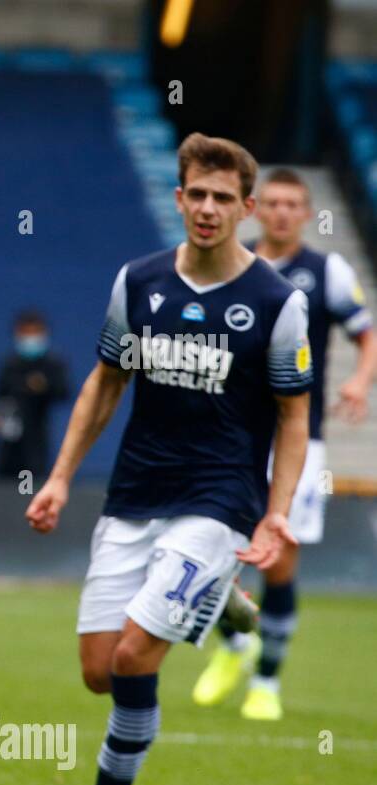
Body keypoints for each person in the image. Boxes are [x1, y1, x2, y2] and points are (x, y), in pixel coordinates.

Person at [24, 133, 311, 785]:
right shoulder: (139, 282)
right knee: (98, 672)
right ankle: (216, 602)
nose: (208, 209)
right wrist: (59, 478)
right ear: (179, 198)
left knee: (133, 657)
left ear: (245, 208)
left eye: (223, 198)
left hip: (219, 501)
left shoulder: (276, 303)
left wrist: (275, 514)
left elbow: (294, 414)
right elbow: (105, 383)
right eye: (197, 195)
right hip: (134, 493)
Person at [192, 167, 375, 721]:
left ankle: (266, 682)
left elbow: (366, 331)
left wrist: (358, 380)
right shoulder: (231, 264)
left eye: (292, 204)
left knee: (279, 562)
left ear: (303, 212)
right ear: (253, 208)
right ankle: (234, 645)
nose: (280, 212)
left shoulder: (328, 271)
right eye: (270, 202)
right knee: (206, 554)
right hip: (228, 438)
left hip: (299, 441)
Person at [0, 310, 70, 480]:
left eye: (35, 332)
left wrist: (43, 387)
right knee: (3, 482)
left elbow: (63, 393)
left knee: (30, 483)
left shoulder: (52, 364)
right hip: (8, 438)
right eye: (26, 332)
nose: (30, 338)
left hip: (36, 438)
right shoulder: (9, 363)